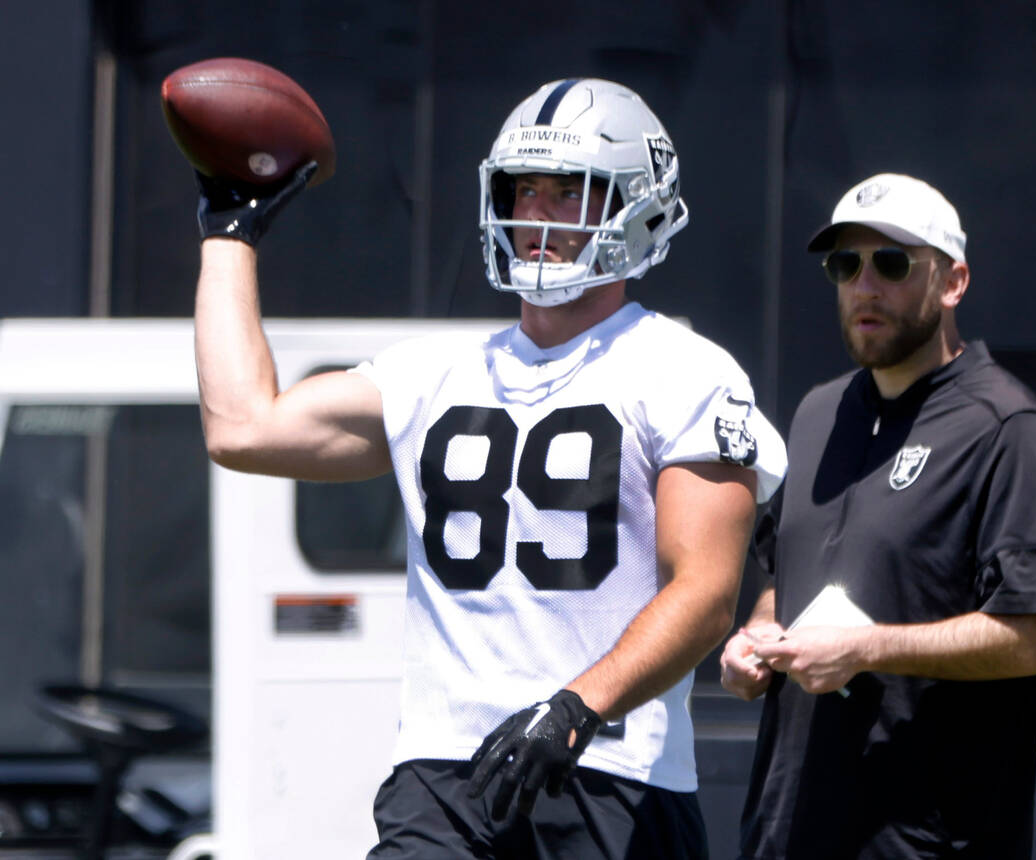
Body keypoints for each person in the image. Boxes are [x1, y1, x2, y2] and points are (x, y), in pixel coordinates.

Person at [188, 78, 786, 859]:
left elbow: (705, 595)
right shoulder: (433, 372)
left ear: (636, 205)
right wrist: (228, 233)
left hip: (610, 769)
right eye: (522, 190)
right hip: (445, 775)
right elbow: (242, 427)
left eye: (567, 192)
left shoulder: (685, 370)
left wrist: (578, 707)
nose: (536, 216)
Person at [719, 173, 1036, 859]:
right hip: (785, 832)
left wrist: (865, 648)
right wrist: (760, 634)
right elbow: (782, 569)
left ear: (953, 282)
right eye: (846, 265)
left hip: (920, 841)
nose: (865, 286)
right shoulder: (819, 412)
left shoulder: (1009, 429)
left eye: (891, 263)